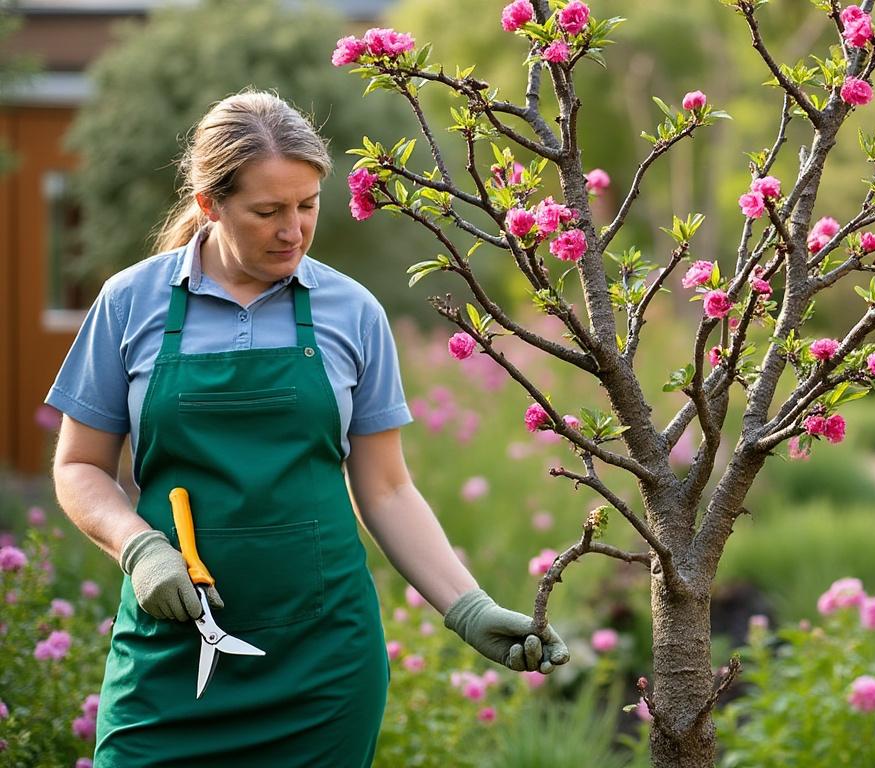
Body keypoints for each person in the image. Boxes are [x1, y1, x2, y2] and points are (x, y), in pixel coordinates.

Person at [46, 89, 568, 766]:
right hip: (168, 662)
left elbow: (385, 490)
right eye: (267, 212)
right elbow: (78, 466)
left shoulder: (350, 313)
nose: (293, 229)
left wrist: (466, 608)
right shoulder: (131, 303)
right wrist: (137, 547)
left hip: (321, 671)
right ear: (210, 205)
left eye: (307, 206)